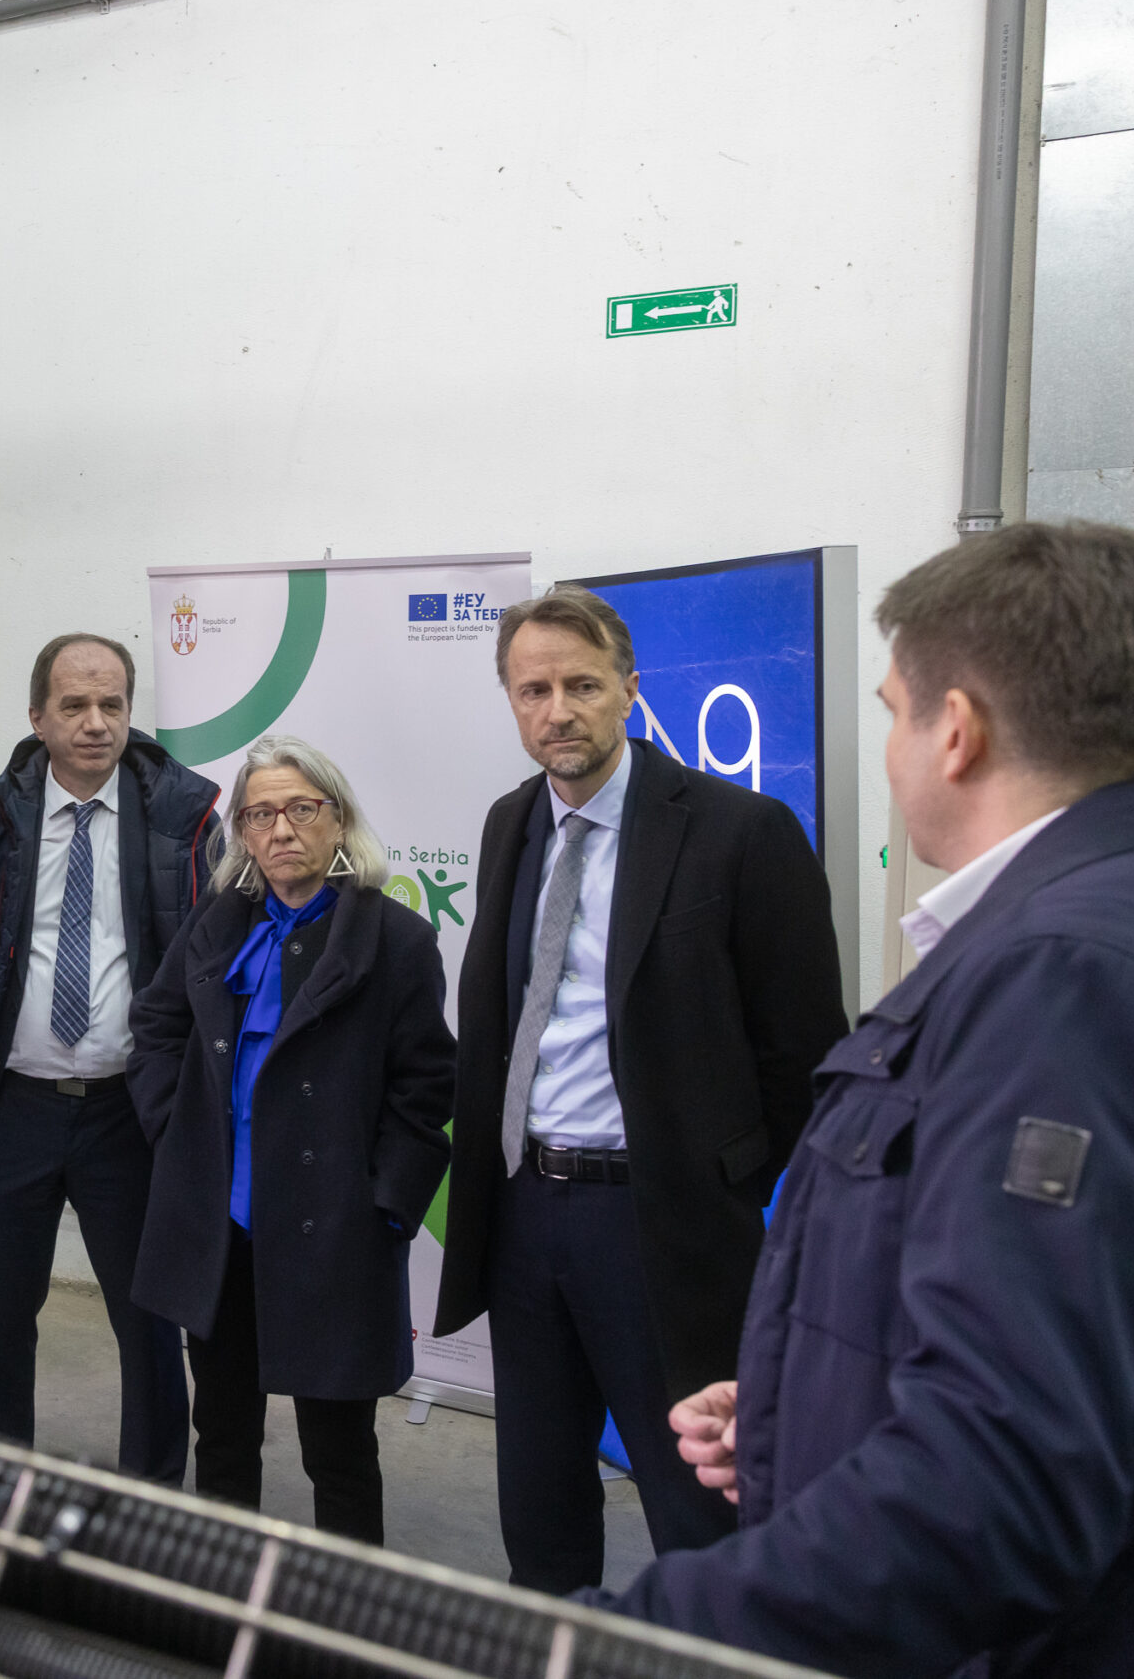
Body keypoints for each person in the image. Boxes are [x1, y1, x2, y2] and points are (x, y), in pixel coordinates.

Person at [596, 522, 1134, 1676]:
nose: (890, 747)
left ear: (957, 730)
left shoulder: (1070, 980)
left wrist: (632, 1640)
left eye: (894, 712)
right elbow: (1105, 1327)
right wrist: (808, 1407)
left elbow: (1004, 1477)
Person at [431, 585, 844, 1591]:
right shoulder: (510, 823)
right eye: (533, 691)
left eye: (582, 685)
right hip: (526, 1216)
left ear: (629, 689)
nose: (558, 711)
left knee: (698, 1511)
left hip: (663, 1228)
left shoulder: (740, 830)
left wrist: (722, 1185)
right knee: (540, 1505)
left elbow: (803, 1053)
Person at [127, 735, 454, 1544]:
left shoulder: (395, 940)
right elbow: (157, 1027)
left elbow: (426, 1087)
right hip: (222, 1230)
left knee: (338, 1453)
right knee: (222, 1432)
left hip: (333, 1233)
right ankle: (224, 1590)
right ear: (242, 831)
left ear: (338, 821)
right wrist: (176, 1131)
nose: (281, 831)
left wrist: (385, 1207)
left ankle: (345, 1607)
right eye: (260, 814)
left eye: (302, 810)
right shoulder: (217, 923)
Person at [0, 632, 220, 1482]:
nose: (95, 723)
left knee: (147, 1320)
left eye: (112, 704)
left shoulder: (185, 818)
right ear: (37, 717)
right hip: (14, 1107)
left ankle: (153, 1492)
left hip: (127, 1113)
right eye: (74, 705)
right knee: (1, 1317)